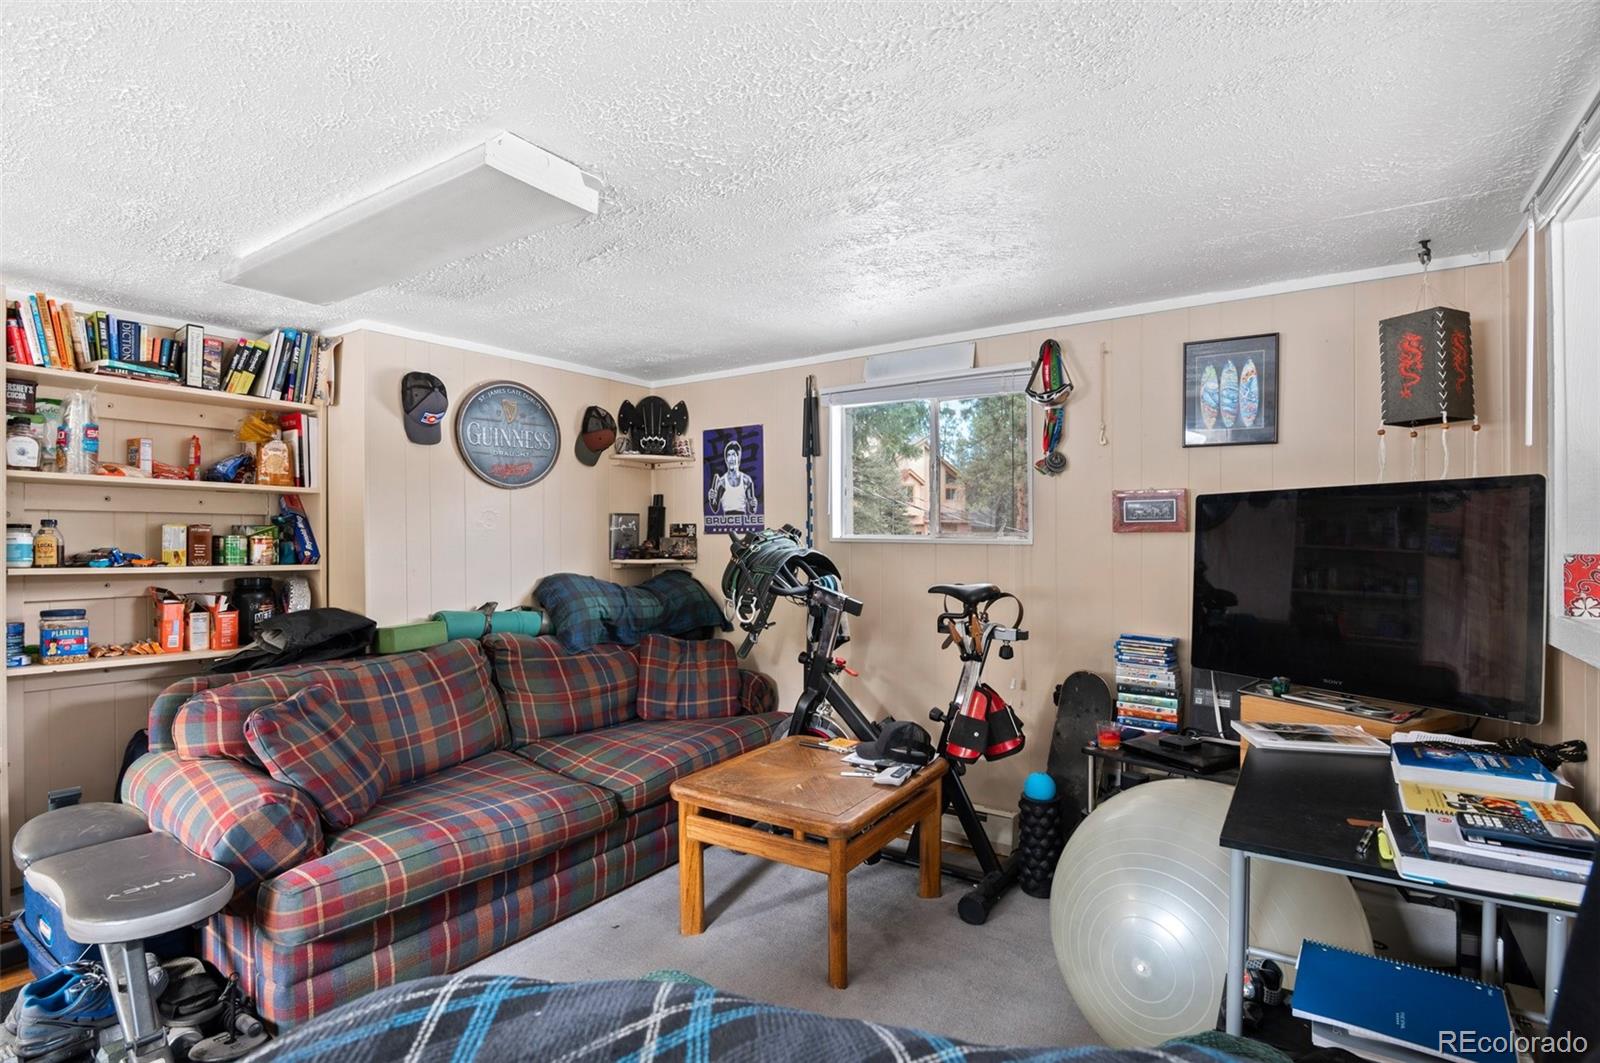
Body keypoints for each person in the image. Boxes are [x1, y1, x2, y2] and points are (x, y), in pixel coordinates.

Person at [707, 439, 757, 517]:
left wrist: (753, 504)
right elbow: (715, 508)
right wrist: (711, 499)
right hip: (726, 524)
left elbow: (752, 510)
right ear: (726, 459)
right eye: (728, 455)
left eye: (733, 454)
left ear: (738, 457)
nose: (731, 458)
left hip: (743, 524)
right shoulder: (722, 482)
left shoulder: (746, 480)